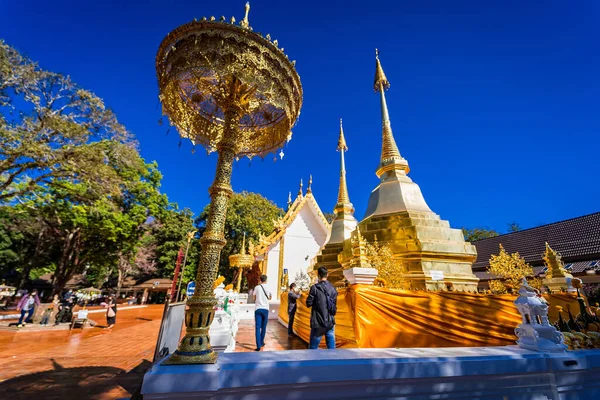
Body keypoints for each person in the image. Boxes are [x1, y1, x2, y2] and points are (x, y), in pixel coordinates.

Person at [306, 266, 337, 349]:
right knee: (332, 349)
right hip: (330, 322)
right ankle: (332, 361)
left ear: (318, 275)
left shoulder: (315, 288)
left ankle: (312, 362)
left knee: (313, 349)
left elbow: (308, 303)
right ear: (327, 275)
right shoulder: (333, 288)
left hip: (318, 322)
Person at [252, 275, 272, 351]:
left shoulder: (257, 287)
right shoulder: (268, 287)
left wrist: (258, 299)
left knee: (257, 327)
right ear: (266, 280)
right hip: (265, 309)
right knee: (263, 327)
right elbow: (270, 297)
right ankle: (262, 341)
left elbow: (253, 298)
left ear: (260, 280)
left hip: (258, 308)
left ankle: (258, 345)